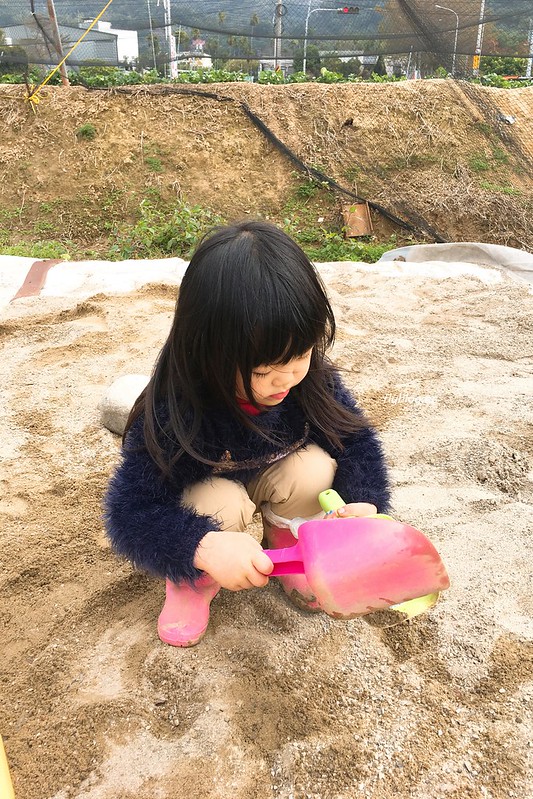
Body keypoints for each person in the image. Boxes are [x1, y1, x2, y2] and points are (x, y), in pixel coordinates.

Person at [104, 220, 390, 647]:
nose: (287, 378)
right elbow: (131, 512)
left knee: (315, 468)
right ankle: (193, 582)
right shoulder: (175, 411)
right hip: (210, 502)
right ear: (208, 353)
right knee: (217, 500)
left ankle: (289, 544)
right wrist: (200, 547)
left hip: (273, 476)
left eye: (302, 354)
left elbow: (356, 441)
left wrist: (366, 502)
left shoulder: (308, 381)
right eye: (263, 370)